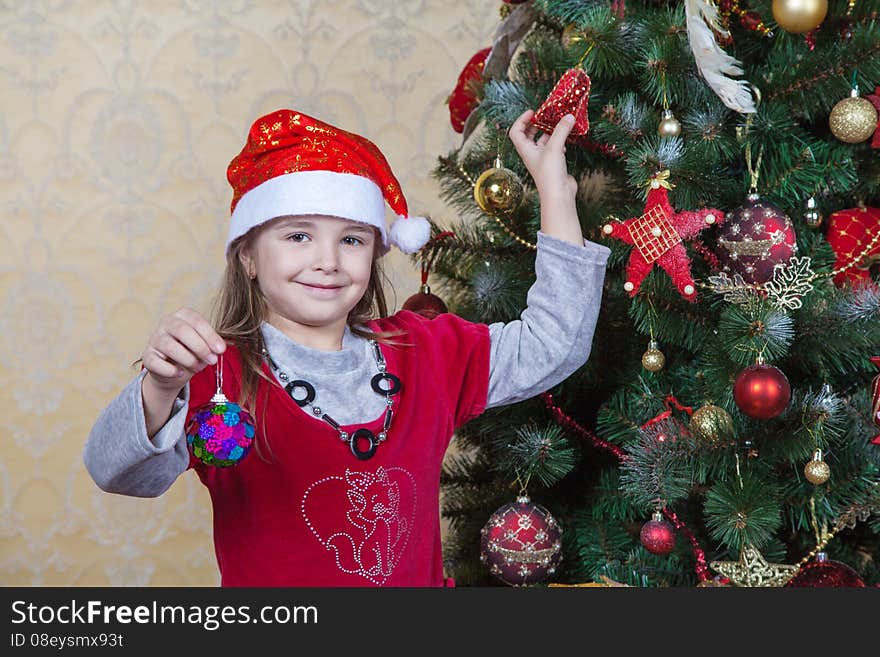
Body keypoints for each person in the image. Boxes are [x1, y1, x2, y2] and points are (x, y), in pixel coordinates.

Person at [84, 107, 610, 587]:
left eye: (352, 239)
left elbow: (554, 342)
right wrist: (160, 386)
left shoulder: (430, 351)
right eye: (298, 236)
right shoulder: (215, 377)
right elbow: (118, 472)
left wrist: (556, 195)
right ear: (247, 256)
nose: (328, 260)